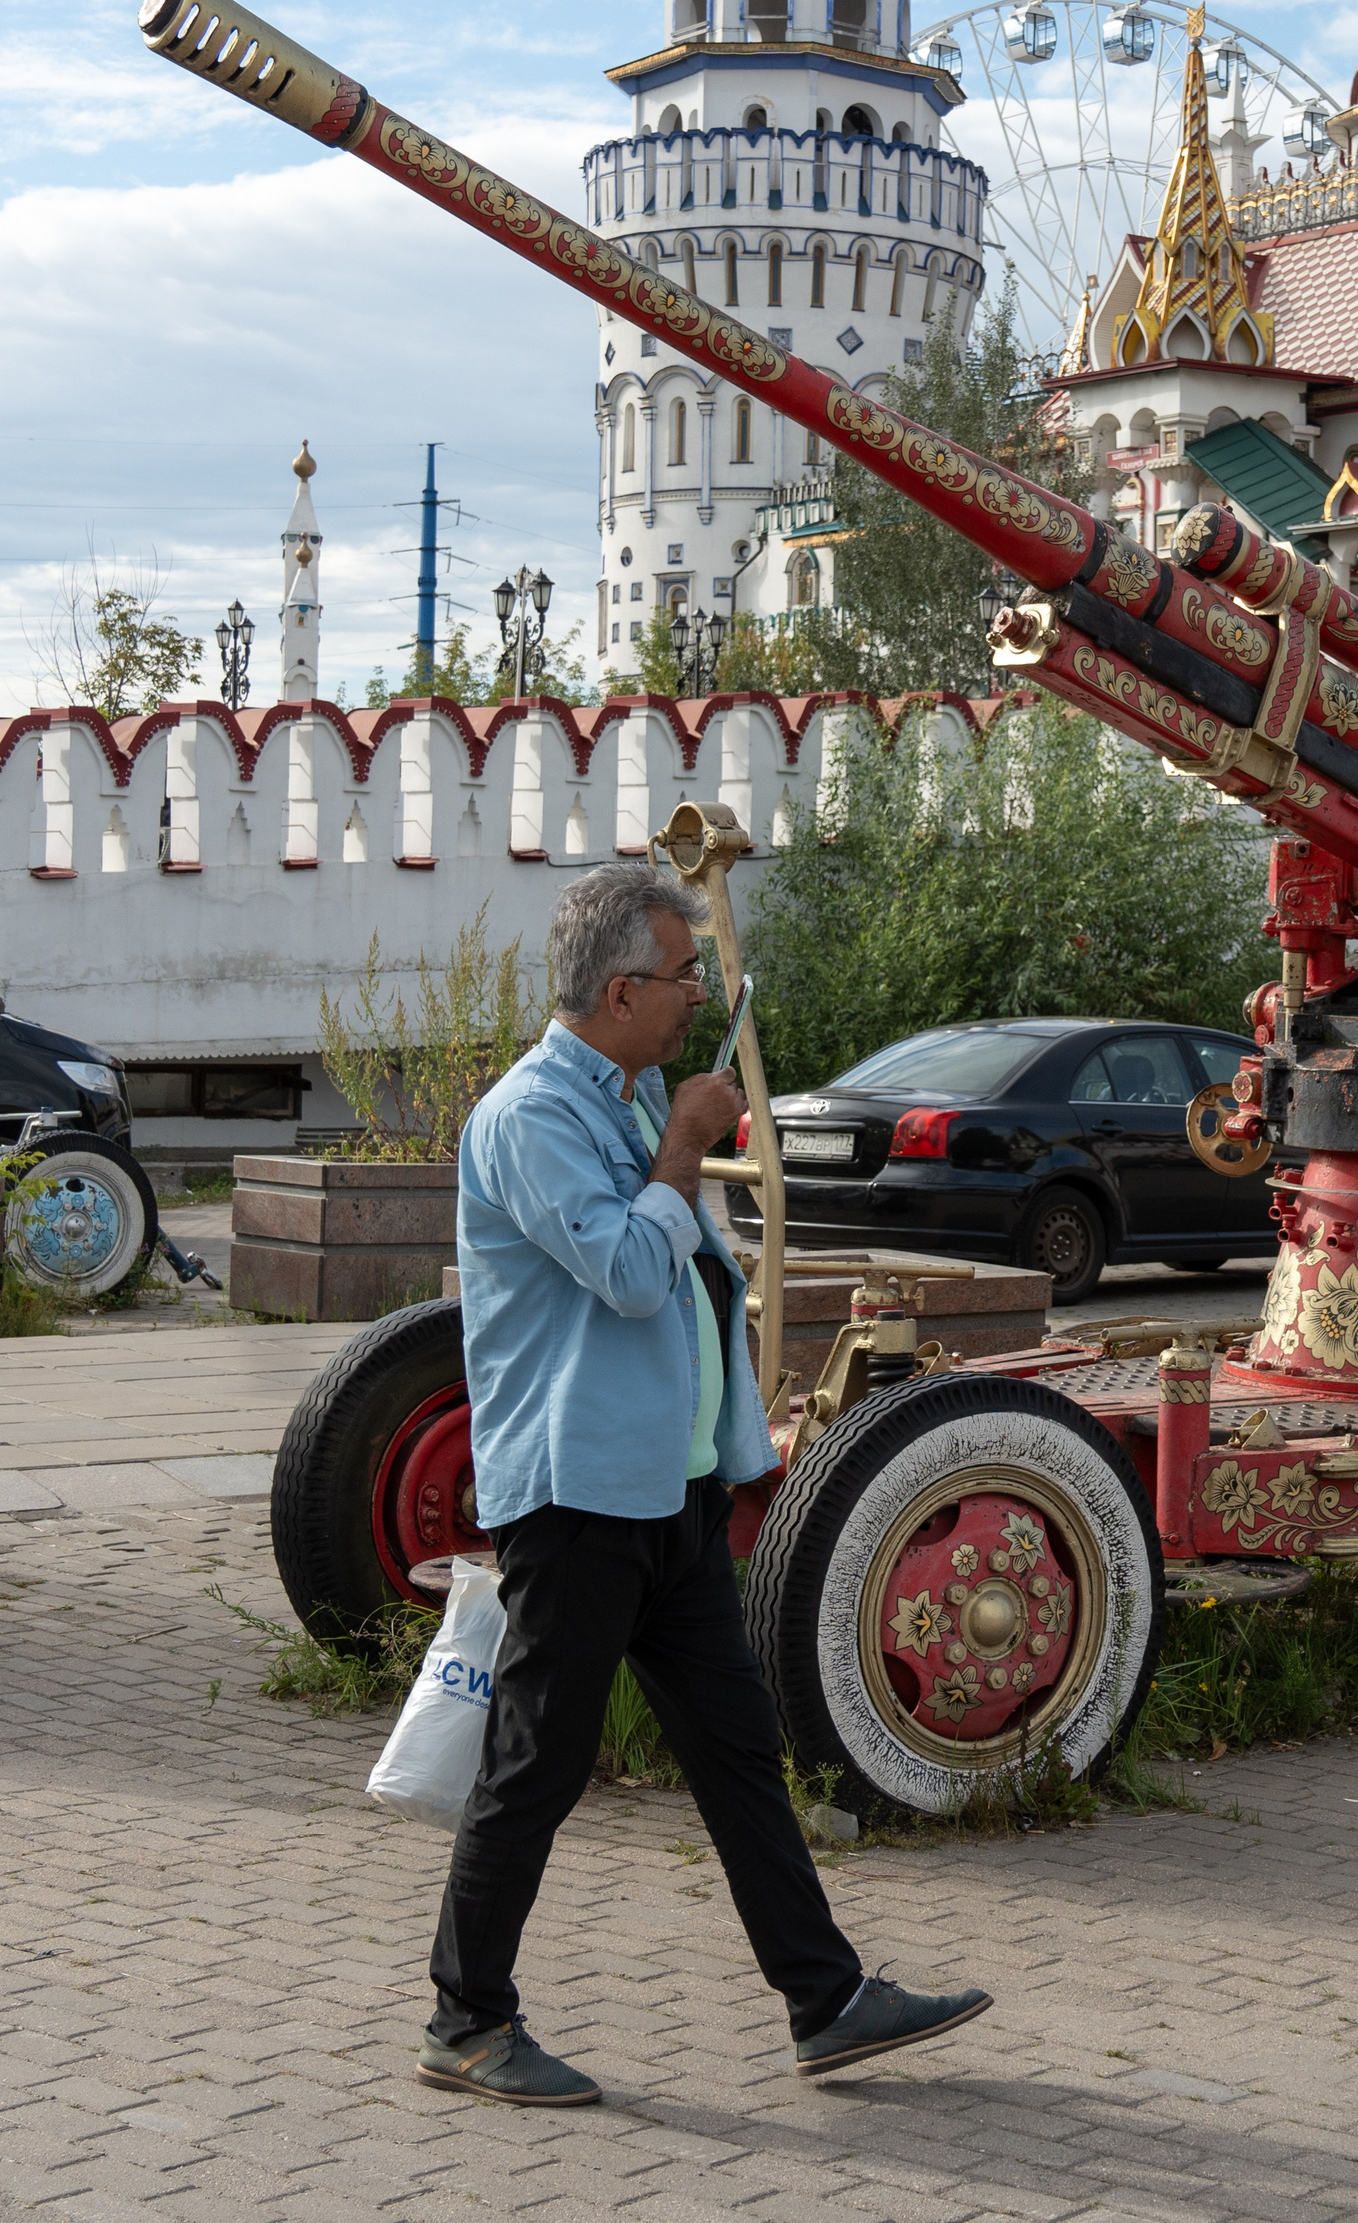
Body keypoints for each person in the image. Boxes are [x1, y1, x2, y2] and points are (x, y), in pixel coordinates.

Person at [417, 862, 989, 2104]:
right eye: (681, 977)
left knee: (738, 1751)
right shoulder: (530, 1117)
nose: (696, 999)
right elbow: (628, 1269)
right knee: (536, 1765)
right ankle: (466, 2019)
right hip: (575, 1501)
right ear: (618, 988)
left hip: (664, 1498)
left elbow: (689, 1279)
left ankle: (824, 1999)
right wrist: (683, 1143)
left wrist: (739, 1453)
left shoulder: (620, 1099)